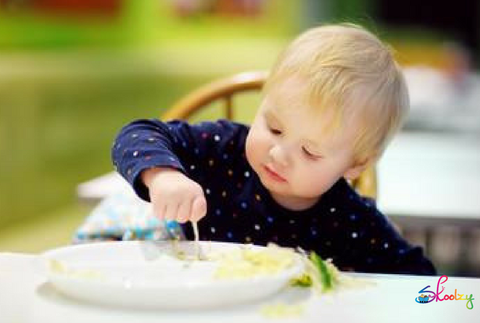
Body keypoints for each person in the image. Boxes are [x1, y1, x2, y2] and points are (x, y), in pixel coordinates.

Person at [112, 23, 436, 275]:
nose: (278, 154)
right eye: (274, 128)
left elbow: (423, 282)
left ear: (356, 164)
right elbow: (138, 133)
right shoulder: (223, 149)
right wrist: (163, 176)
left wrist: (460, 301)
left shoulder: (349, 219)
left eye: (310, 152)